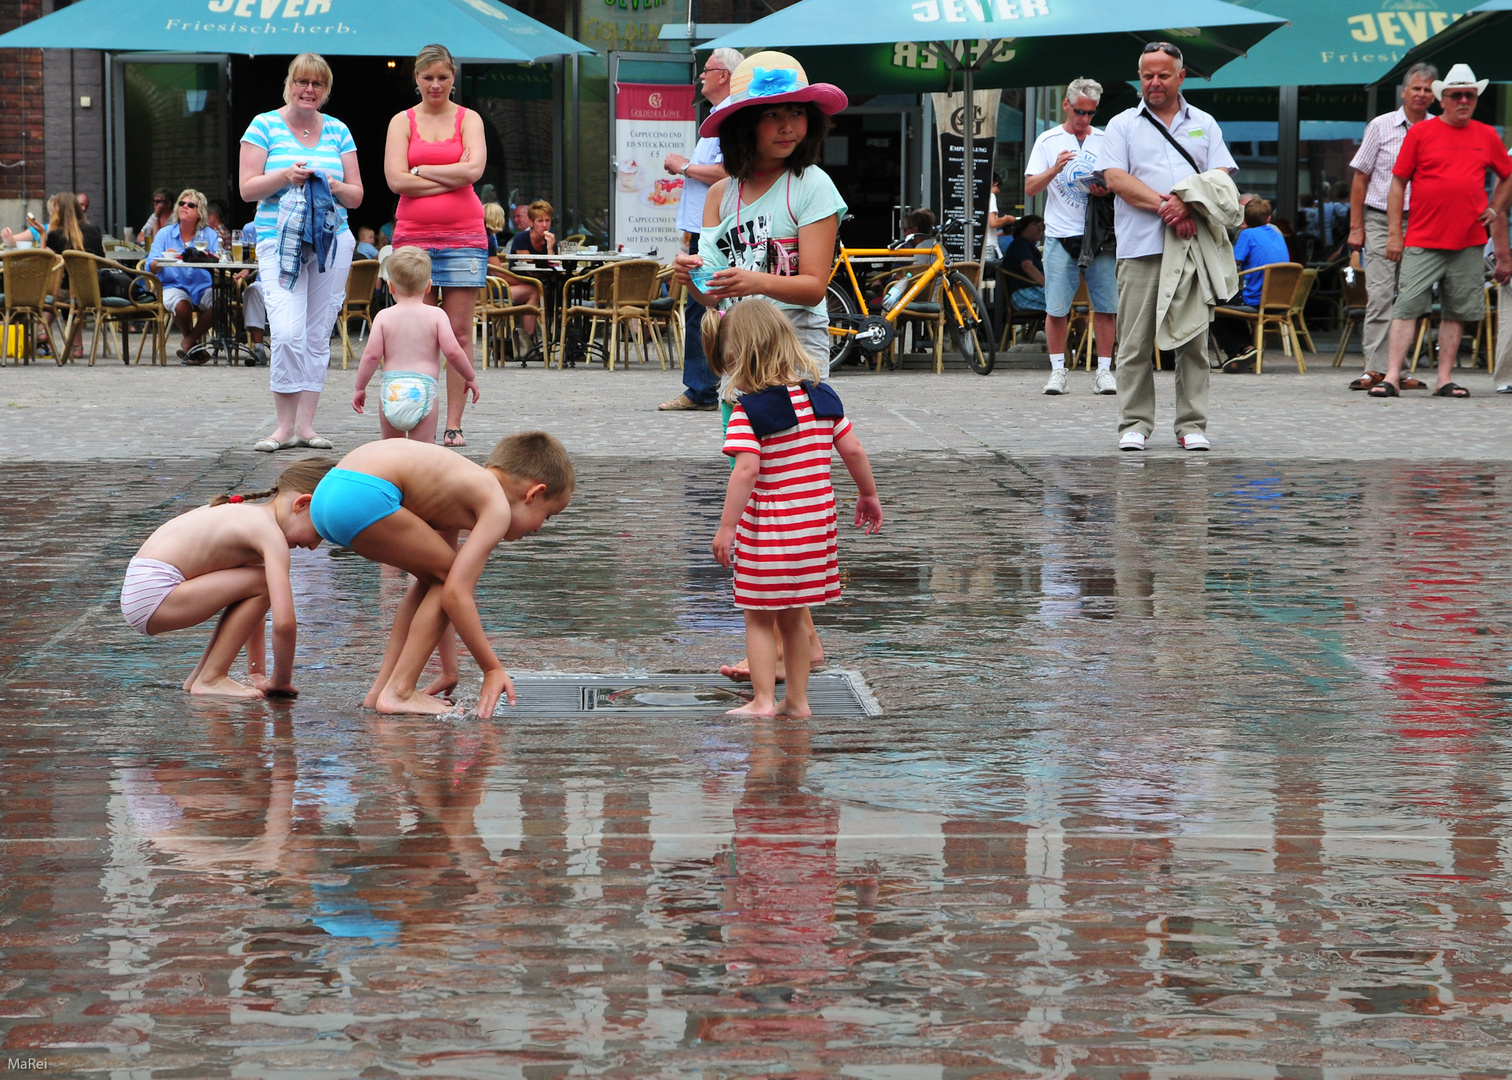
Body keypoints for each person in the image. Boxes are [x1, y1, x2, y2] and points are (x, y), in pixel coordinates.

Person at [672, 50, 849, 684]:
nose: (787, 128)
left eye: (796, 116)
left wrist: (756, 279)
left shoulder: (812, 186)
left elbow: (813, 285)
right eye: (773, 117)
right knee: (753, 487)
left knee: (785, 485)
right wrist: (694, 279)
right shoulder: (722, 192)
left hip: (795, 352)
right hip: (738, 354)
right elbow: (714, 295)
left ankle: (774, 643)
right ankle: (800, 639)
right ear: (745, 126)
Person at [308, 432, 574, 718]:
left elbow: (439, 585)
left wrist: (449, 668)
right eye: (548, 516)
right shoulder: (496, 506)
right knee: (450, 579)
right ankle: (399, 691)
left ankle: (380, 691)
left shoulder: (459, 486)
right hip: (363, 495)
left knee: (437, 576)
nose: (539, 529)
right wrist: (492, 668)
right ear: (534, 494)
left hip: (329, 493)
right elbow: (455, 593)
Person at [704, 300, 882, 717]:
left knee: (759, 617)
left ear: (740, 355)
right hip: (816, 527)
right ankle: (797, 702)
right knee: (793, 620)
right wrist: (868, 495)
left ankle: (764, 701)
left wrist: (727, 527)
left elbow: (746, 470)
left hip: (771, 528)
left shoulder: (751, 409)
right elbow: (853, 449)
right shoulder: (822, 397)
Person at [1098, 40, 1238, 452]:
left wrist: (1187, 203)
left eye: (1162, 75)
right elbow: (1114, 179)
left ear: (1181, 76)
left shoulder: (1205, 123)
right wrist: (1171, 206)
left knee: (1193, 341)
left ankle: (1191, 424)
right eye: (1147, 75)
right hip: (1141, 247)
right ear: (1139, 78)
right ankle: (1134, 424)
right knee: (1135, 342)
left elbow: (1222, 179)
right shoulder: (1122, 124)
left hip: (1191, 248)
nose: (1154, 82)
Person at [121, 456, 334, 699]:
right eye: (319, 532)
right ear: (301, 504)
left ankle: (201, 677)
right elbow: (284, 623)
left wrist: (256, 674)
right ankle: (211, 678)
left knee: (257, 584)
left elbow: (254, 607)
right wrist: (281, 681)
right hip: (155, 593)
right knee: (263, 583)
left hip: (144, 592)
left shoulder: (248, 515)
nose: (315, 546)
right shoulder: (267, 532)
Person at [239, 52, 362, 453]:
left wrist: (332, 184)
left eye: (318, 84)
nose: (309, 90)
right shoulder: (264, 125)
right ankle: (282, 426)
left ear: (326, 91)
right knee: (288, 330)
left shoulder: (339, 130)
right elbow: (246, 189)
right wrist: (284, 176)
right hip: (279, 238)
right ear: (289, 84)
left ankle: (305, 426)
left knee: (317, 333)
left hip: (331, 238)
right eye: (302, 82)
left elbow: (357, 195)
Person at [1370, 64, 1512, 400]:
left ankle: (1444, 379)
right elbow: (1398, 181)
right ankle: (1392, 376)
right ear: (1443, 99)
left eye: (1470, 95)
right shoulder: (1421, 133)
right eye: (1456, 95)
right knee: (1406, 306)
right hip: (1422, 237)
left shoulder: (1486, 134)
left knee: (1457, 310)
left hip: (1468, 240)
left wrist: (1495, 208)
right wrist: (1394, 232)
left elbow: (1507, 174)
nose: (1464, 100)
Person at [384, 43, 487, 450]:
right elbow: (395, 181)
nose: (435, 84)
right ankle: (417, 415)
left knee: (459, 333)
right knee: (417, 334)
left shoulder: (469, 118)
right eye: (428, 77)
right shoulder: (401, 122)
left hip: (464, 236)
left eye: (442, 77)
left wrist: (422, 169)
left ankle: (453, 423)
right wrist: (453, 173)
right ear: (416, 79)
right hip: (414, 237)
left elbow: (475, 170)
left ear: (453, 78)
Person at [1346, 64, 1439, 391]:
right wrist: (1356, 227)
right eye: (1416, 88)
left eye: (1428, 89)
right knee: (1381, 295)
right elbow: (1360, 177)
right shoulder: (1381, 125)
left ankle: (1398, 370)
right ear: (1404, 91)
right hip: (1381, 219)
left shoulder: (1439, 129)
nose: (1422, 94)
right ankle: (1375, 369)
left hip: (1422, 222)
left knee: (1412, 299)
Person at [1025, 78, 1118, 396]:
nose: (1085, 119)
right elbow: (1030, 188)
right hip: (1060, 233)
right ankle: (1057, 371)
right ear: (1066, 105)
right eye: (1080, 111)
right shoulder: (1048, 140)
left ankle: (1104, 370)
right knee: (1056, 307)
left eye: (1091, 113)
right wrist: (1054, 169)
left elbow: (1119, 182)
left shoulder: (1105, 139)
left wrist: (1104, 188)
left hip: (1100, 234)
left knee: (1106, 306)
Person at [658, 46, 739, 413]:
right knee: (699, 309)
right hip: (700, 227)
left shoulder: (730, 120)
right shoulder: (714, 118)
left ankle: (702, 389)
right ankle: (705, 386)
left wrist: (685, 166)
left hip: (715, 229)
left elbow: (729, 172)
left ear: (724, 74)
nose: (701, 76)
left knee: (704, 310)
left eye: (706, 70)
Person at [352, 247, 479, 443]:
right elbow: (453, 352)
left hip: (392, 388)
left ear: (391, 286)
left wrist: (360, 387)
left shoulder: (384, 317)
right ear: (429, 286)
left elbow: (371, 356)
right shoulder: (436, 315)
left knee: (392, 448)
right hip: (424, 388)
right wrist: (469, 376)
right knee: (423, 451)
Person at [1212, 197, 1289, 371]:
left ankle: (1234, 353)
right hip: (1280, 300)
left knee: (1213, 304)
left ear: (1244, 220)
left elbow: (1232, 263)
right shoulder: (1277, 234)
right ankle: (1247, 349)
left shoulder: (1247, 234)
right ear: (1269, 218)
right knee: (1231, 303)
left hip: (1257, 299)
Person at [146, 188, 220, 361]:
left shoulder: (208, 235)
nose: (184, 207)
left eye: (191, 205)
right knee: (181, 305)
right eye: (181, 203)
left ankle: (188, 341)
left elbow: (218, 261)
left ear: (199, 213)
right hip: (172, 285)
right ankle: (192, 344)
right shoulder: (165, 233)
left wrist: (205, 258)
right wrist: (164, 258)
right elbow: (150, 265)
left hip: (202, 286)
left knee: (220, 303)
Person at [43, 190, 107, 358]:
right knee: (71, 291)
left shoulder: (55, 235)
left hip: (68, 291)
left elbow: (45, 263)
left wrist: (43, 235)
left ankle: (41, 332)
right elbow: (101, 259)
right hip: (93, 290)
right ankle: (76, 347)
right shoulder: (94, 230)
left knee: (48, 290)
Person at [1001, 215, 1047, 312]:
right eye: (1035, 225)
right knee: (1063, 302)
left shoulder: (1028, 246)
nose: (1040, 228)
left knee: (1069, 302)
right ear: (1022, 229)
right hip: (1023, 293)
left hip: (1028, 292)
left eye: (1042, 226)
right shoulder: (1021, 243)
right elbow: (1027, 266)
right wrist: (1047, 285)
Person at [985, 173, 1015, 261]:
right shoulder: (991, 196)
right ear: (995, 183)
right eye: (998, 187)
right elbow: (993, 223)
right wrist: (1006, 218)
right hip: (990, 249)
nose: (998, 191)